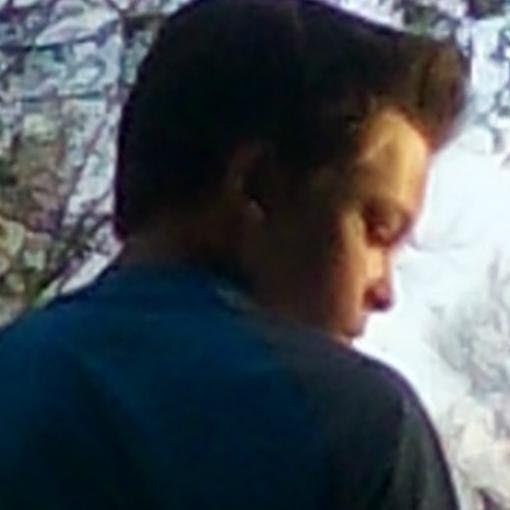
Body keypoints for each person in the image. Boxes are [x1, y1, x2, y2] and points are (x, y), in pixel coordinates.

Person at [0, 0, 468, 508]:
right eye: (377, 231)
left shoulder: (19, 374)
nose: (384, 292)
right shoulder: (362, 430)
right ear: (258, 187)